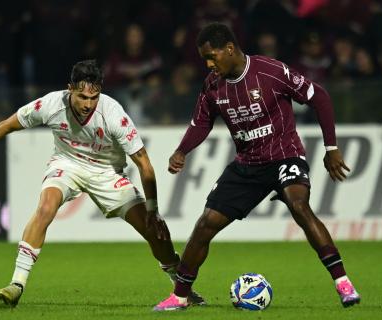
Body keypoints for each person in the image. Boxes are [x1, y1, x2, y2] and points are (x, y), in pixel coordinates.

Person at [0, 60, 204, 307]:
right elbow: (7, 125)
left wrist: (153, 211)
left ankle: (181, 288)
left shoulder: (113, 113)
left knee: (154, 232)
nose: (88, 104)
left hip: (107, 172)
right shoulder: (50, 104)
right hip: (67, 164)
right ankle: (17, 283)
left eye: (94, 98)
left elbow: (144, 165)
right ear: (70, 89)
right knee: (46, 208)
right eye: (82, 97)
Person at [153, 23, 361, 311]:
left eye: (212, 57)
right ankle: (180, 296)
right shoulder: (213, 85)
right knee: (205, 225)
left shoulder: (271, 71)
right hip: (247, 165)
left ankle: (343, 284)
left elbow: (319, 96)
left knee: (299, 206)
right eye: (205, 60)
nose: (210, 65)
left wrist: (331, 148)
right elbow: (201, 122)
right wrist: (182, 150)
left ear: (229, 48)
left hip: (284, 156)